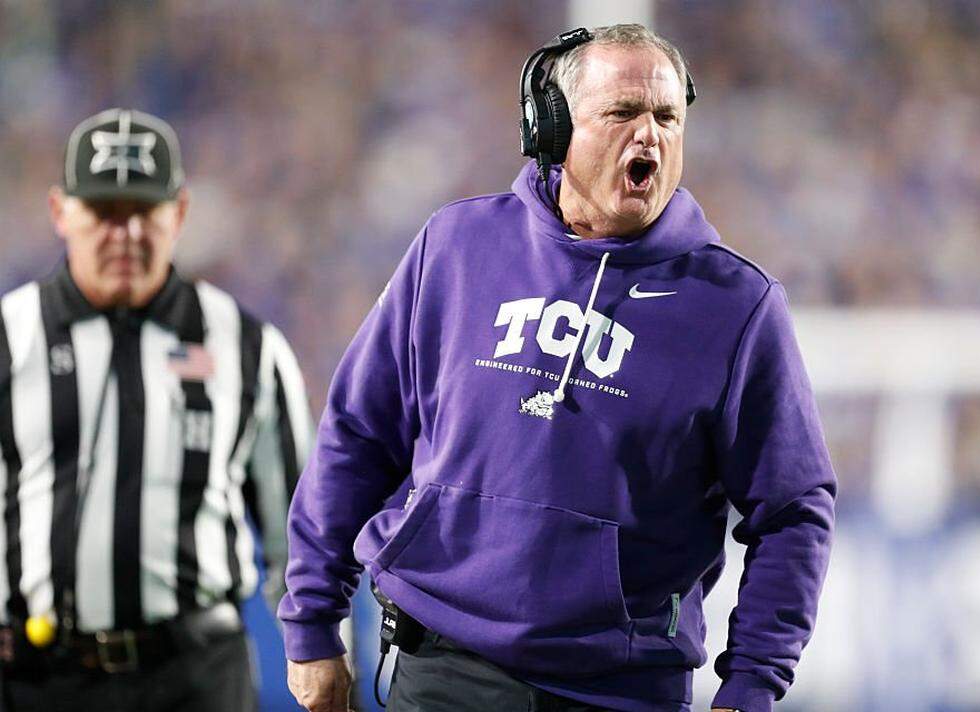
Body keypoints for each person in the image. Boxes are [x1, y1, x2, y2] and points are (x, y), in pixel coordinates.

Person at [281, 24, 835, 712]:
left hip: (621, 691)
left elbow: (792, 512)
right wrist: (311, 616)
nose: (650, 136)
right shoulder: (455, 248)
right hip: (445, 669)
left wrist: (753, 684)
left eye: (667, 117)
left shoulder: (736, 307)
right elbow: (359, 435)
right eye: (622, 112)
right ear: (552, 128)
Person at [0, 108, 312, 711]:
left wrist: (325, 651)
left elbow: (298, 533)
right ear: (61, 212)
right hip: (35, 680)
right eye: (104, 214)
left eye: (144, 212)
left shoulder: (246, 346)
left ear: (180, 213)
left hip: (194, 676)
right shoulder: (10, 338)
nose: (126, 235)